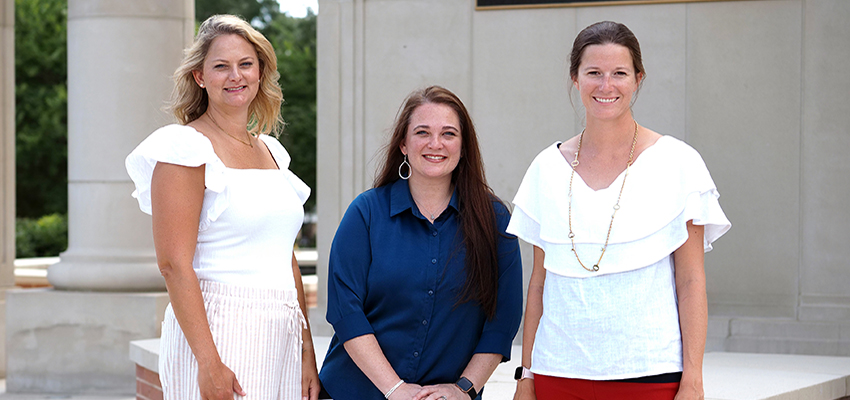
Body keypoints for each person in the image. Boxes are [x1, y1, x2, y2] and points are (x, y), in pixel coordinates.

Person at [508, 21, 731, 400]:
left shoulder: (678, 163)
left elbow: (691, 282)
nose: (605, 85)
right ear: (575, 79)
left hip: (651, 374)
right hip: (557, 374)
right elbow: (539, 284)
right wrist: (526, 376)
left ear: (638, 79)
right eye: (593, 73)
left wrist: (693, 380)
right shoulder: (546, 168)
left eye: (619, 74)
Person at [125, 14, 319, 400]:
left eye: (246, 64)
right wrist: (209, 363)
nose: (236, 76)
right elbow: (173, 264)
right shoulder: (184, 148)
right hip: (219, 328)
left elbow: (286, 256)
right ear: (200, 76)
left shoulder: (273, 152)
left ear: (260, 72)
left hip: (280, 331)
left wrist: (306, 350)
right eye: (221, 66)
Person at [318, 86, 523, 400]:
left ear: (464, 146)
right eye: (422, 132)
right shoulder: (366, 213)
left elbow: (503, 319)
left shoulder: (494, 221)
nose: (435, 144)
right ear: (403, 144)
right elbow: (346, 311)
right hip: (356, 392)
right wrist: (395, 389)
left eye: (449, 134)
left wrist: (464, 389)